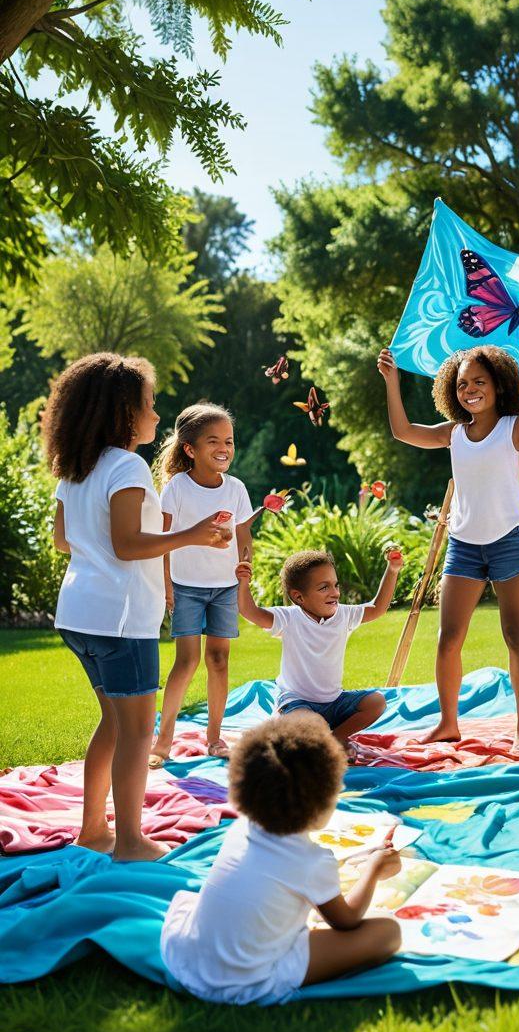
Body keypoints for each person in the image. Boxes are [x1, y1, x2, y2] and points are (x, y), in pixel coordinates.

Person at [377, 343, 519, 755]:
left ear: (499, 386)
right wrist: (392, 381)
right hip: (464, 545)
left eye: (479, 381)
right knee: (448, 638)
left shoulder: (514, 427)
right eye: (463, 383)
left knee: (515, 635)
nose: (470, 389)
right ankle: (448, 724)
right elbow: (403, 431)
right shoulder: (453, 434)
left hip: (509, 540)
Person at [45, 353, 229, 861]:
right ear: (125, 413)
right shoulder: (126, 466)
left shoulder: (76, 467)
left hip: (80, 615)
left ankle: (92, 830)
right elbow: (127, 544)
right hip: (121, 621)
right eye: (149, 406)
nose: (155, 415)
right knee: (136, 731)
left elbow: (64, 540)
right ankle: (129, 840)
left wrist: (102, 545)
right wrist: (190, 534)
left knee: (113, 723)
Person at [160, 712, 402, 1003]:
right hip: (245, 980)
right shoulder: (310, 861)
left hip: (191, 961)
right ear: (318, 802)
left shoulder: (242, 828)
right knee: (387, 930)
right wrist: (373, 870)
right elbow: (347, 921)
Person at [149, 404, 254, 766]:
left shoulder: (236, 488)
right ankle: (163, 741)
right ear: (190, 449)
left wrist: (245, 566)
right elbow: (162, 540)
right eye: (214, 441)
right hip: (186, 586)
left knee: (219, 659)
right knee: (187, 660)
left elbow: (244, 534)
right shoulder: (176, 487)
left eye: (229, 440)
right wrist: (167, 586)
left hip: (224, 587)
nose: (224, 447)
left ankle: (214, 737)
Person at [235, 548, 403, 745]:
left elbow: (378, 608)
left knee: (376, 702)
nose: (335, 593)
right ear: (299, 597)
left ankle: (335, 740)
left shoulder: (344, 615)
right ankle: (321, 738)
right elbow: (249, 611)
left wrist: (392, 570)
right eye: (324, 588)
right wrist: (243, 581)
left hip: (334, 702)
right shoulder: (289, 618)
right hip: (297, 705)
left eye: (335, 585)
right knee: (313, 724)